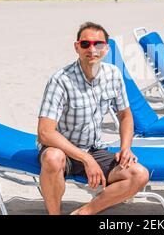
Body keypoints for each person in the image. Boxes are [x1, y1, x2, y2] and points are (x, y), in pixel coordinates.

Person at [37, 22, 149, 215]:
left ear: (106, 48)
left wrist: (125, 148)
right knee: (52, 158)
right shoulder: (60, 80)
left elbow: (125, 115)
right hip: (63, 149)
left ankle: (85, 212)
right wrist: (86, 159)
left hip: (94, 149)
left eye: (98, 44)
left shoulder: (113, 75)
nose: (92, 49)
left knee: (139, 174)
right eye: (85, 44)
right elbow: (45, 132)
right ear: (76, 47)